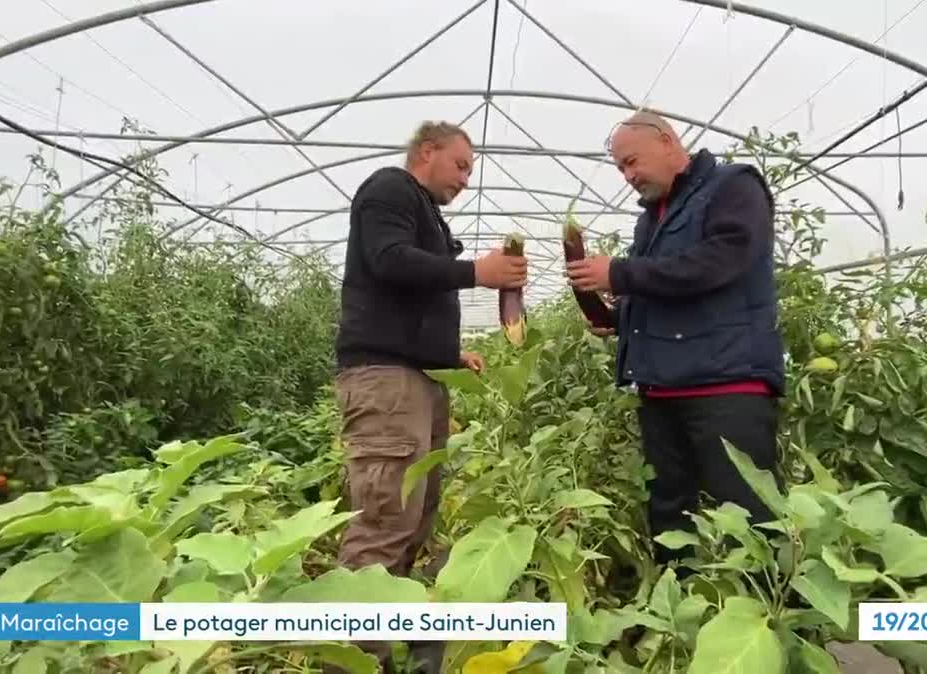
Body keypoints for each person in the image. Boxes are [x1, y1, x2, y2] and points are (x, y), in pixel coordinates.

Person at [331, 120, 528, 672]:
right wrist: (476, 271)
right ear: (427, 151)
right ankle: (348, 660)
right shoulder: (390, 188)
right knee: (384, 518)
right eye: (461, 165)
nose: (467, 178)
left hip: (415, 379)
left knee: (413, 519)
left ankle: (377, 646)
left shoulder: (424, 212)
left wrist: (449, 356)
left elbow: (411, 297)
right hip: (386, 382)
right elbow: (389, 261)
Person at [565, 110, 786, 571]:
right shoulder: (651, 219)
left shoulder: (732, 187)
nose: (628, 176)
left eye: (632, 161)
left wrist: (620, 272)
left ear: (667, 141)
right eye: (621, 168)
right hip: (663, 389)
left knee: (748, 515)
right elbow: (663, 288)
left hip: (727, 384)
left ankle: (772, 625)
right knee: (670, 512)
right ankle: (675, 617)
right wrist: (619, 318)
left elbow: (721, 261)